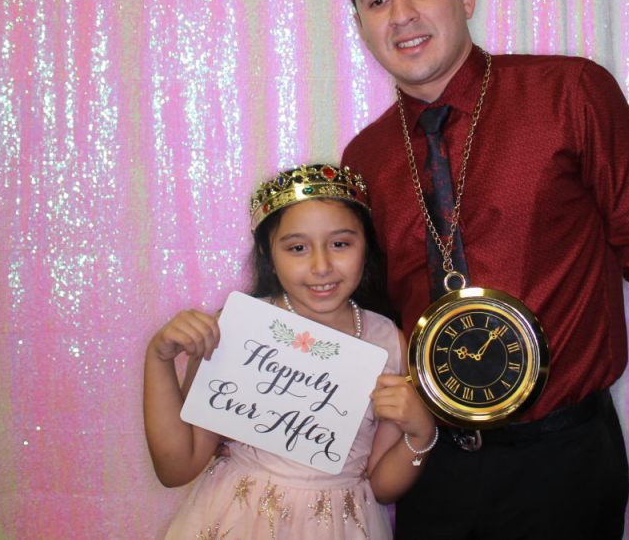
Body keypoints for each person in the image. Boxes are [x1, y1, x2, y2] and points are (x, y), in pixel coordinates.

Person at [340, 0, 629, 538]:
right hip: (431, 465)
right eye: (377, 0)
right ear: (361, 22)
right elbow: (365, 314)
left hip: (564, 460)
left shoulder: (570, 93)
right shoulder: (365, 158)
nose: (401, 15)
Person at [143, 164, 437, 540]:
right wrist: (159, 359)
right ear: (268, 253)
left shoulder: (388, 343)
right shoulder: (238, 328)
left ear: (366, 245)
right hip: (237, 520)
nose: (321, 266)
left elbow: (382, 486)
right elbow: (177, 468)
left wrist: (421, 432)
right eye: (297, 248)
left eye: (340, 244)